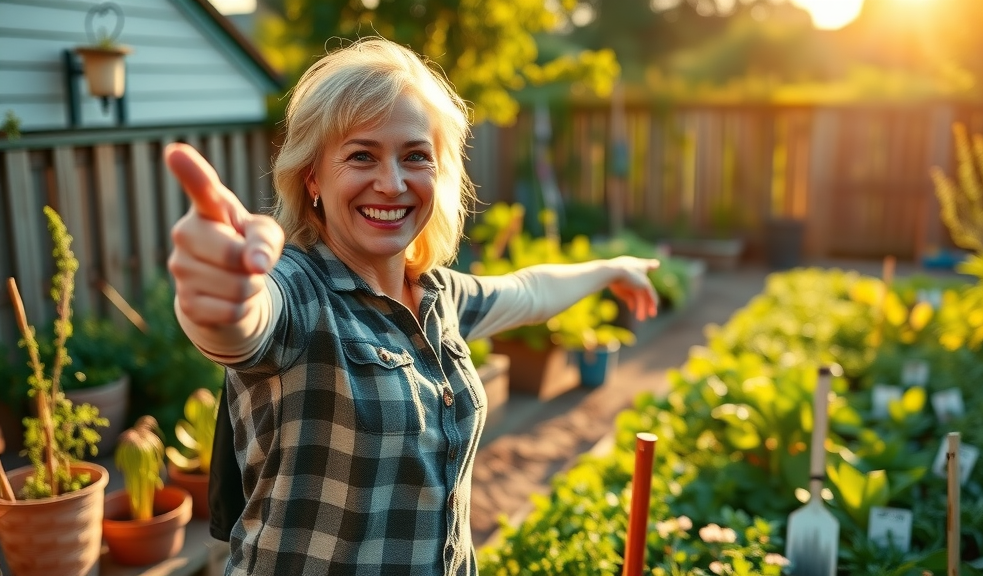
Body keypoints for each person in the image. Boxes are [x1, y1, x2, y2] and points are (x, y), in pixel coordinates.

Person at [166, 36, 659, 576]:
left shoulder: (437, 297)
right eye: (361, 155)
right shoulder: (298, 296)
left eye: (415, 156)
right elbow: (242, 323)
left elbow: (530, 292)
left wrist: (611, 269)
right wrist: (219, 296)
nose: (392, 182)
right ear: (312, 176)